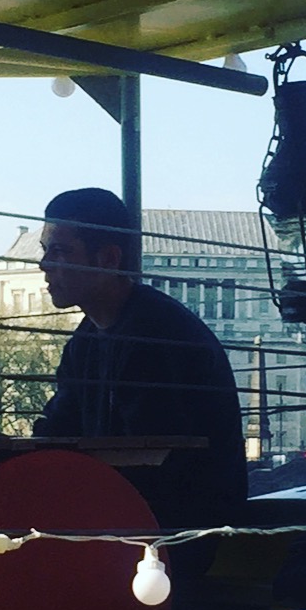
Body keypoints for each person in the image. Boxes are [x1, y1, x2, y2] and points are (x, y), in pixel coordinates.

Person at [32, 185, 246, 534]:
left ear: (108, 259)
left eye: (59, 251)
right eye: (46, 250)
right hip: (147, 521)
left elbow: (152, 459)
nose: (44, 265)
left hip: (176, 533)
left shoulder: (155, 335)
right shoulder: (93, 338)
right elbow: (59, 432)